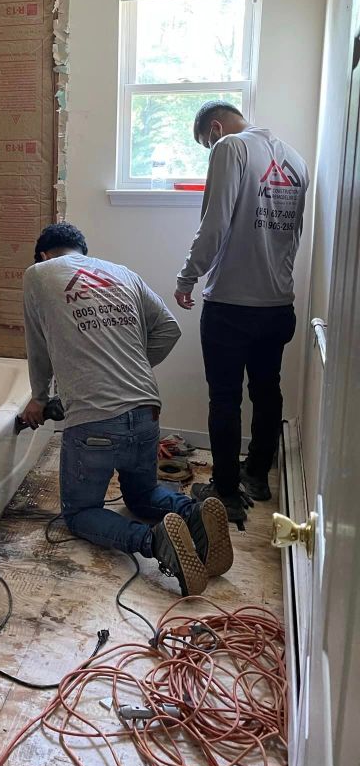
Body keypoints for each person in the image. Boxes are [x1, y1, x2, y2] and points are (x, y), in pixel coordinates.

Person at [22, 222, 233, 598]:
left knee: (80, 514)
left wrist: (39, 397)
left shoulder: (38, 275)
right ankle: (193, 513)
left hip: (95, 422)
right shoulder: (123, 274)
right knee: (143, 494)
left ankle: (154, 542)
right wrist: (129, 367)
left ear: (43, 255)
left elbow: (38, 345)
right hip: (146, 409)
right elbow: (169, 329)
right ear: (82, 251)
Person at [175, 102, 309, 524]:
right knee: (267, 390)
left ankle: (227, 493)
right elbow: (292, 235)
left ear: (215, 129)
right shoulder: (296, 160)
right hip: (278, 304)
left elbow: (214, 224)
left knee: (225, 398)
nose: (210, 148)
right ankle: (257, 476)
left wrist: (187, 277)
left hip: (231, 305)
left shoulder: (230, 147)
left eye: (206, 142)